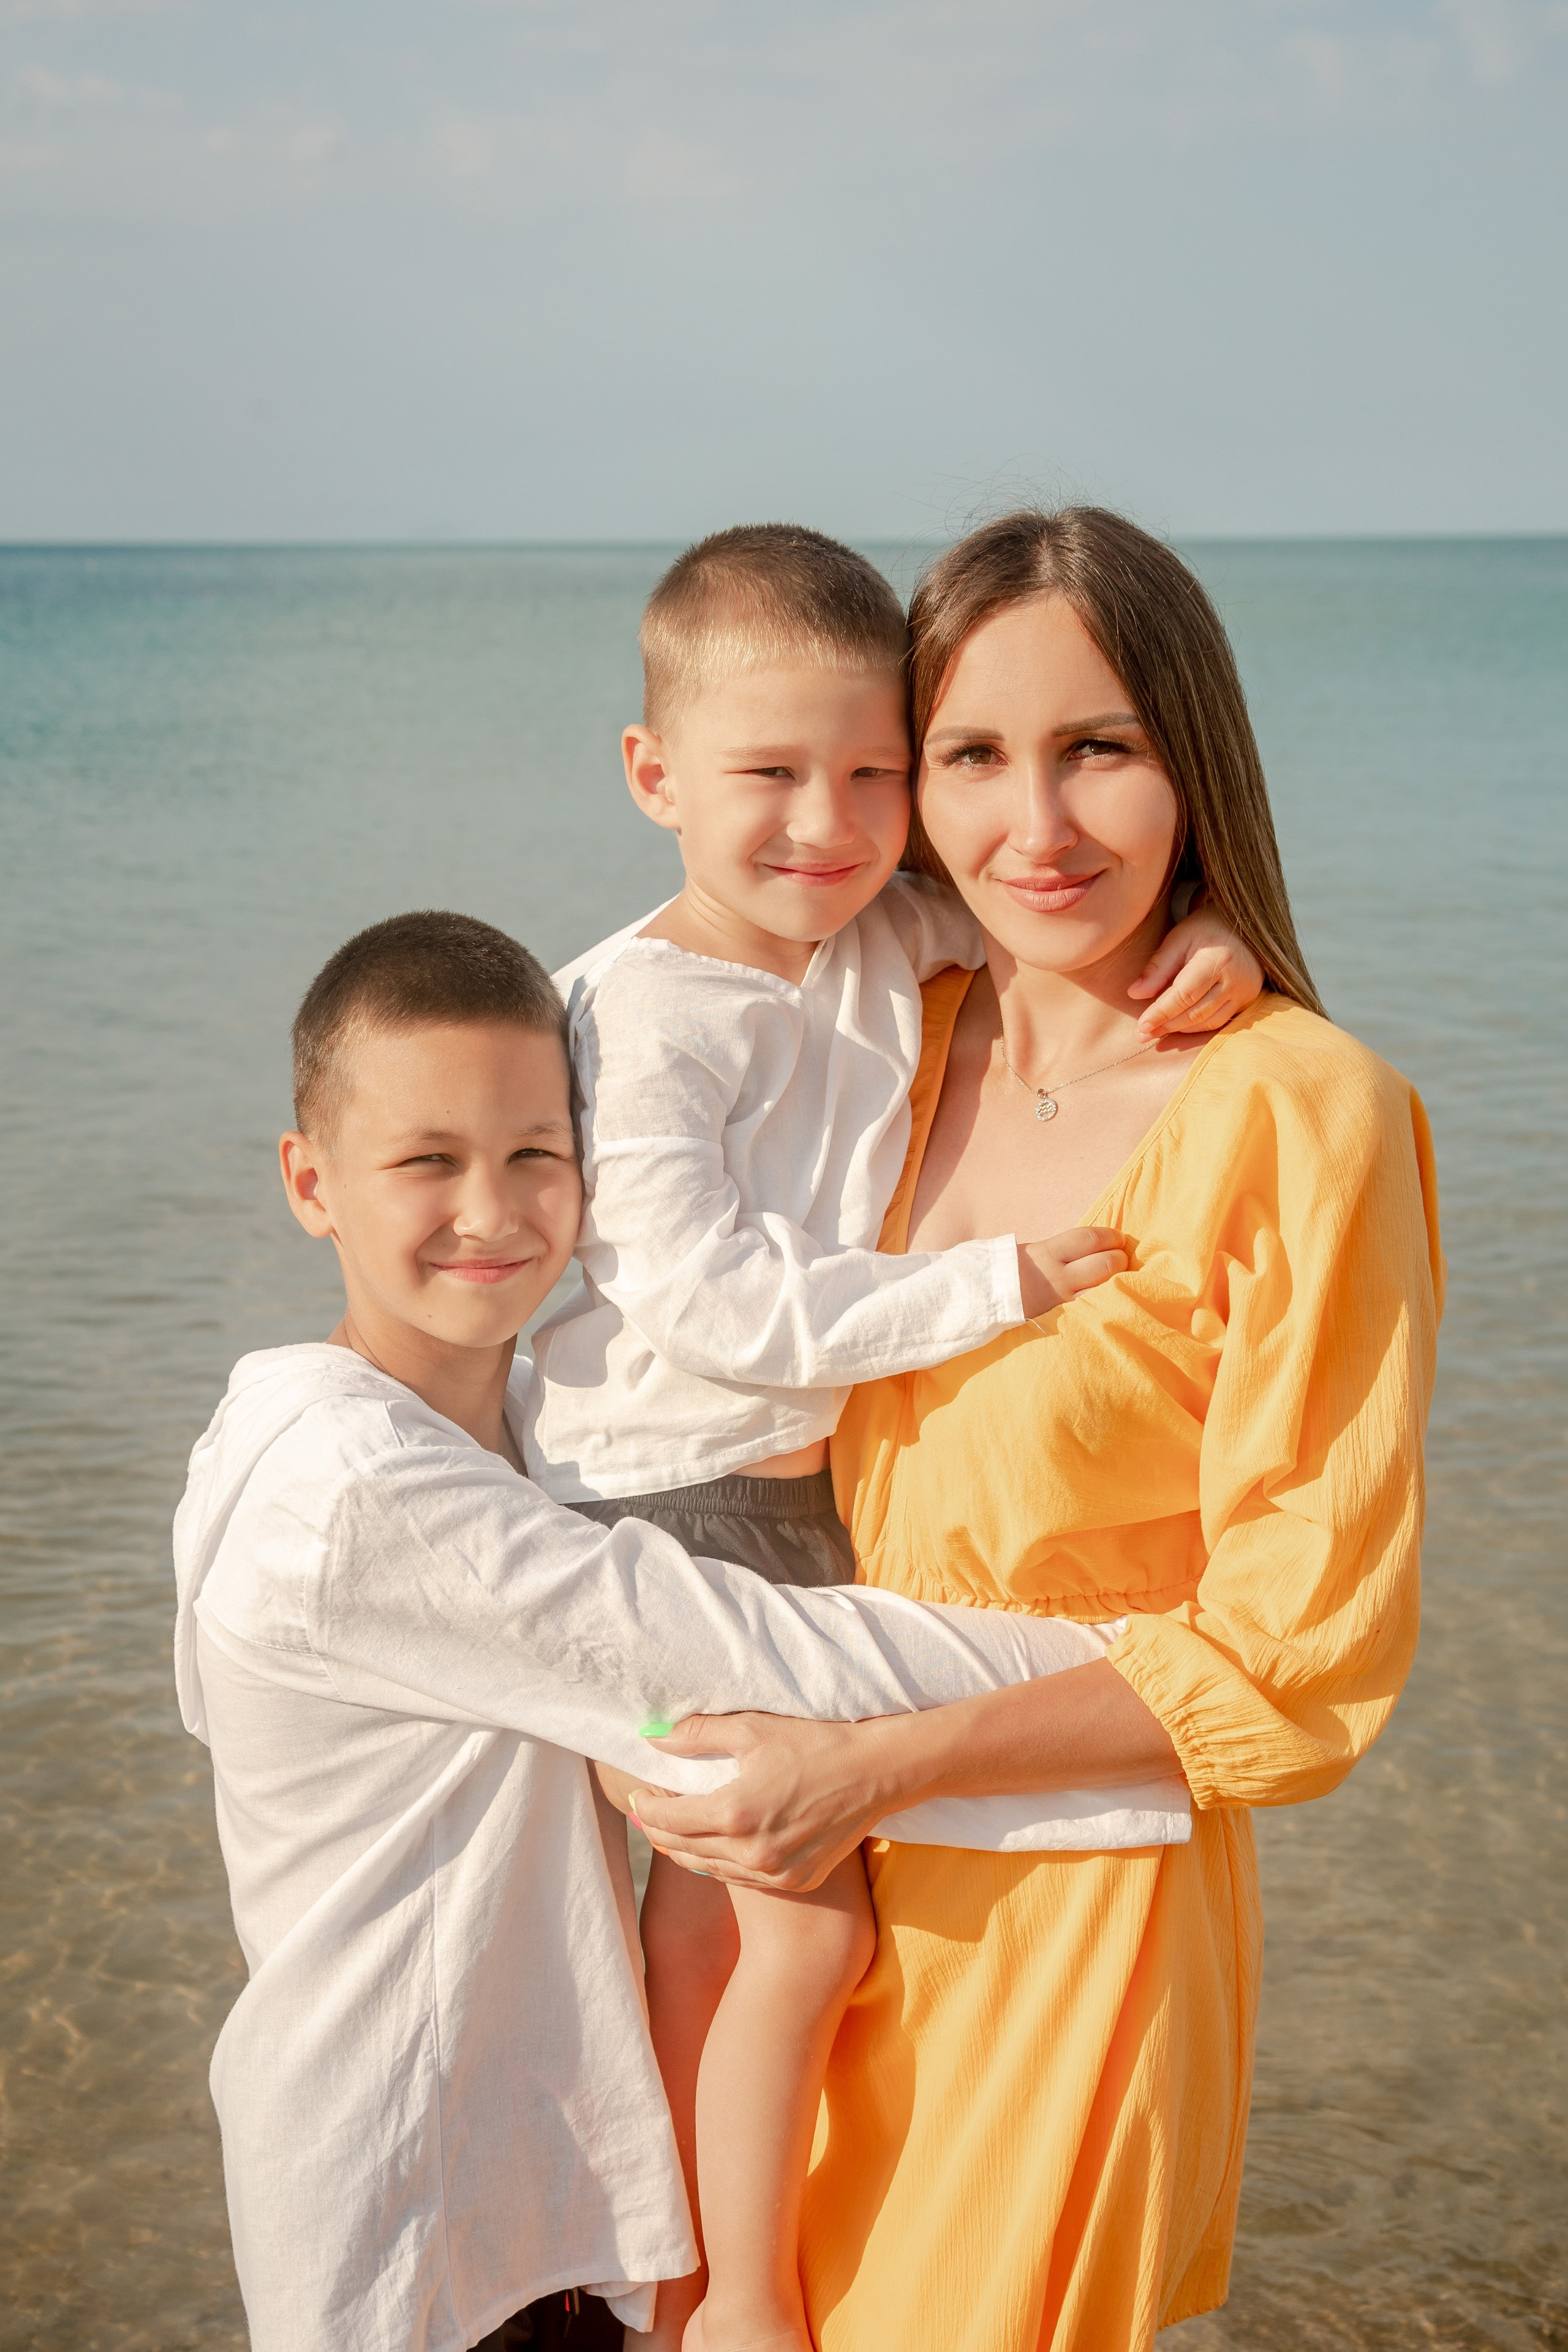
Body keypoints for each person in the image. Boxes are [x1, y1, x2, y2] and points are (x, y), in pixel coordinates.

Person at [627, 508, 1446, 2352]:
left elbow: (1304, 1654)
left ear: (1195, 765)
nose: (1039, 828)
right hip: (774, 1887)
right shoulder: (871, 1035)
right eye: (973, 758)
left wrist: (882, 1767)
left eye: (1102, 750)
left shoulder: (1306, 1115)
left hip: (1064, 1905)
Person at [175, 907, 1196, 2352]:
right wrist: (1174, 1684)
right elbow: (761, 1661)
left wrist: (1149, 934)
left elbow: (749, 935)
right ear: (310, 1183)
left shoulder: (492, 1433)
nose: (494, 1209)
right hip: (426, 2232)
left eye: (540, 1154)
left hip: (525, 2192)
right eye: (424, 1163)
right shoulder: (358, 1496)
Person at [526, 525, 1263, 2348]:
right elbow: (713, 1301)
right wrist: (987, 1287)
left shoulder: (872, 935)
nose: (827, 824)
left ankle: (686, 2278)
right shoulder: (641, 1016)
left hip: (788, 1507)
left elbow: (1040, 919)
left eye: (873, 774)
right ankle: (727, 2302)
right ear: (654, 778)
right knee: (789, 1926)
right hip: (659, 1505)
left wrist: (1210, 949)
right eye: (768, 777)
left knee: (746, 1914)